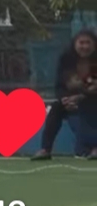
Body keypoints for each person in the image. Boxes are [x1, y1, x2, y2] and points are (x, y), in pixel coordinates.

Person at [33, 28, 97, 160]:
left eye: (88, 43)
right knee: (56, 108)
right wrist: (64, 99)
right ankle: (45, 149)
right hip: (71, 102)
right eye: (81, 43)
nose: (85, 47)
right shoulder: (66, 59)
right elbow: (59, 85)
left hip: (92, 100)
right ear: (75, 44)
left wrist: (80, 97)